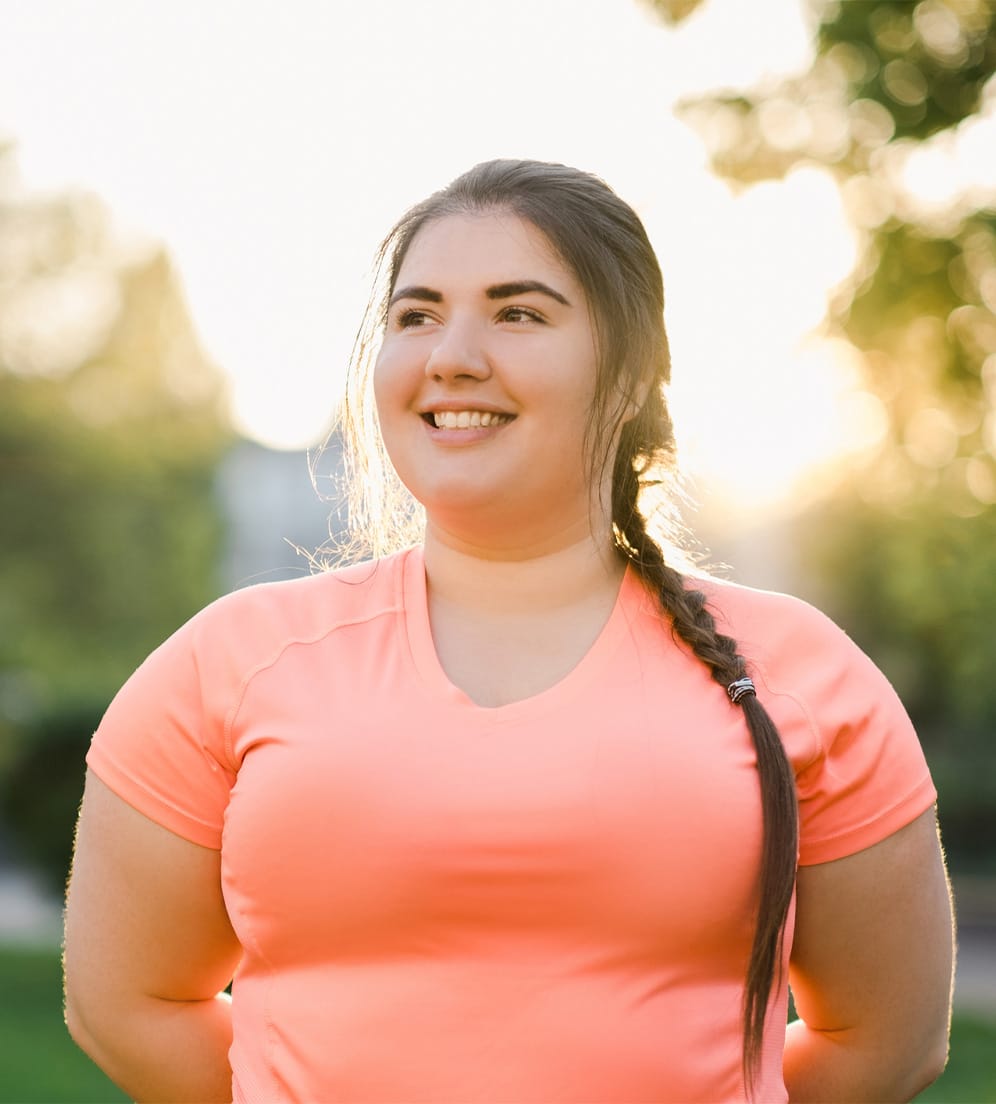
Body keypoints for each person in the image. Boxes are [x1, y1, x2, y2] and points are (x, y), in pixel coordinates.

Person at [63, 159, 954, 1103]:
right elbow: (126, 1003)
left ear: (632, 371)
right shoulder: (228, 663)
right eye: (416, 316)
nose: (450, 355)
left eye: (518, 313)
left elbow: (887, 1041)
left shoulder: (803, 676)